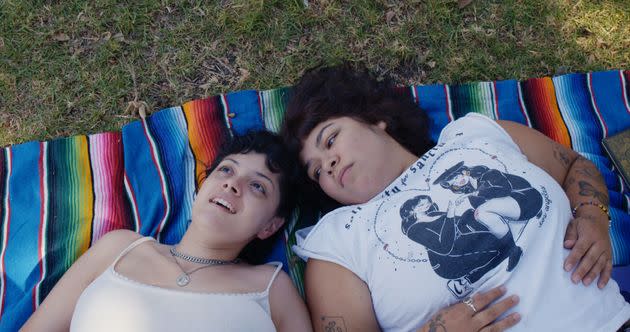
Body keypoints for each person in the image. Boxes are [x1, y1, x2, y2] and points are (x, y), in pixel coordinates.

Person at [281, 63, 630, 331]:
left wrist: (592, 214)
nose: (328, 164)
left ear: (374, 119)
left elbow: (574, 166)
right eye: (316, 171)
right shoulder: (338, 239)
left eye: (330, 140)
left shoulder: (473, 134)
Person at [21, 131, 312, 332]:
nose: (232, 185)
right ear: (202, 186)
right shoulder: (118, 248)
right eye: (226, 170)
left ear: (270, 226)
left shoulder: (271, 288)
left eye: (257, 186)